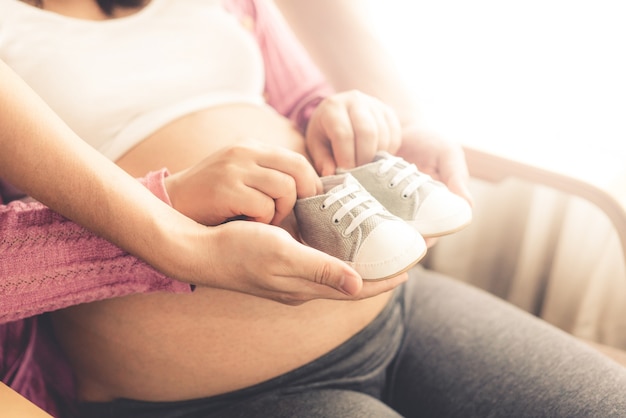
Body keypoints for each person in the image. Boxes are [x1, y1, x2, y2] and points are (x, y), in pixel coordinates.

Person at [2, 1, 626, 418]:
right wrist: (169, 205)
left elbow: (301, 101)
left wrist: (349, 118)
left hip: (399, 312)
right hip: (212, 397)